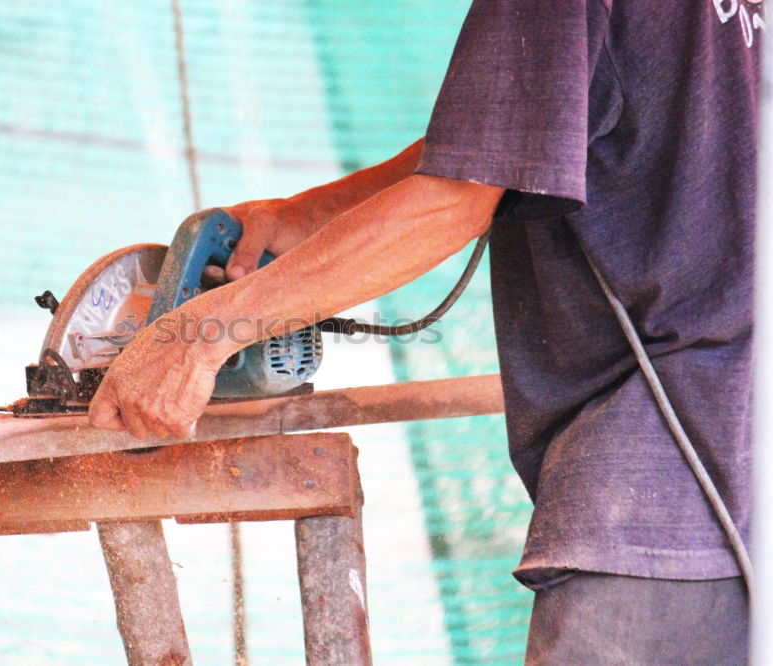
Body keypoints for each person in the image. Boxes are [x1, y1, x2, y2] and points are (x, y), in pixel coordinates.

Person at [90, 1, 759, 660]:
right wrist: (305, 217)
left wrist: (201, 334)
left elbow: (458, 195)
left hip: (669, 475)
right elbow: (516, 133)